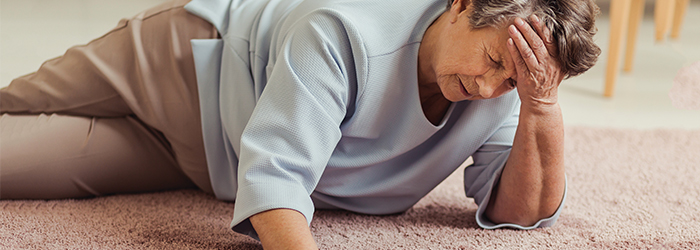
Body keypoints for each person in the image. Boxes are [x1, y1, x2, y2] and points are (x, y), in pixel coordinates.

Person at [0, 0, 601, 248]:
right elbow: (280, 181)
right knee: (15, 102)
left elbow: (520, 210)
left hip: (208, 160)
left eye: (514, 82)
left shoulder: (504, 94)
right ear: (463, 3)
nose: (491, 89)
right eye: (495, 60)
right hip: (184, 66)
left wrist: (540, 105)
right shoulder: (344, 32)